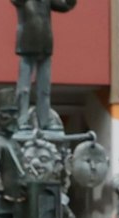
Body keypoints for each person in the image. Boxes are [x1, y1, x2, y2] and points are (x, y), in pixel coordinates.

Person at [13, 0, 77, 133]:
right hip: (27, 46)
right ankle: (21, 120)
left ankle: (44, 121)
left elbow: (65, 6)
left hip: (45, 46)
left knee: (44, 89)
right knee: (23, 89)